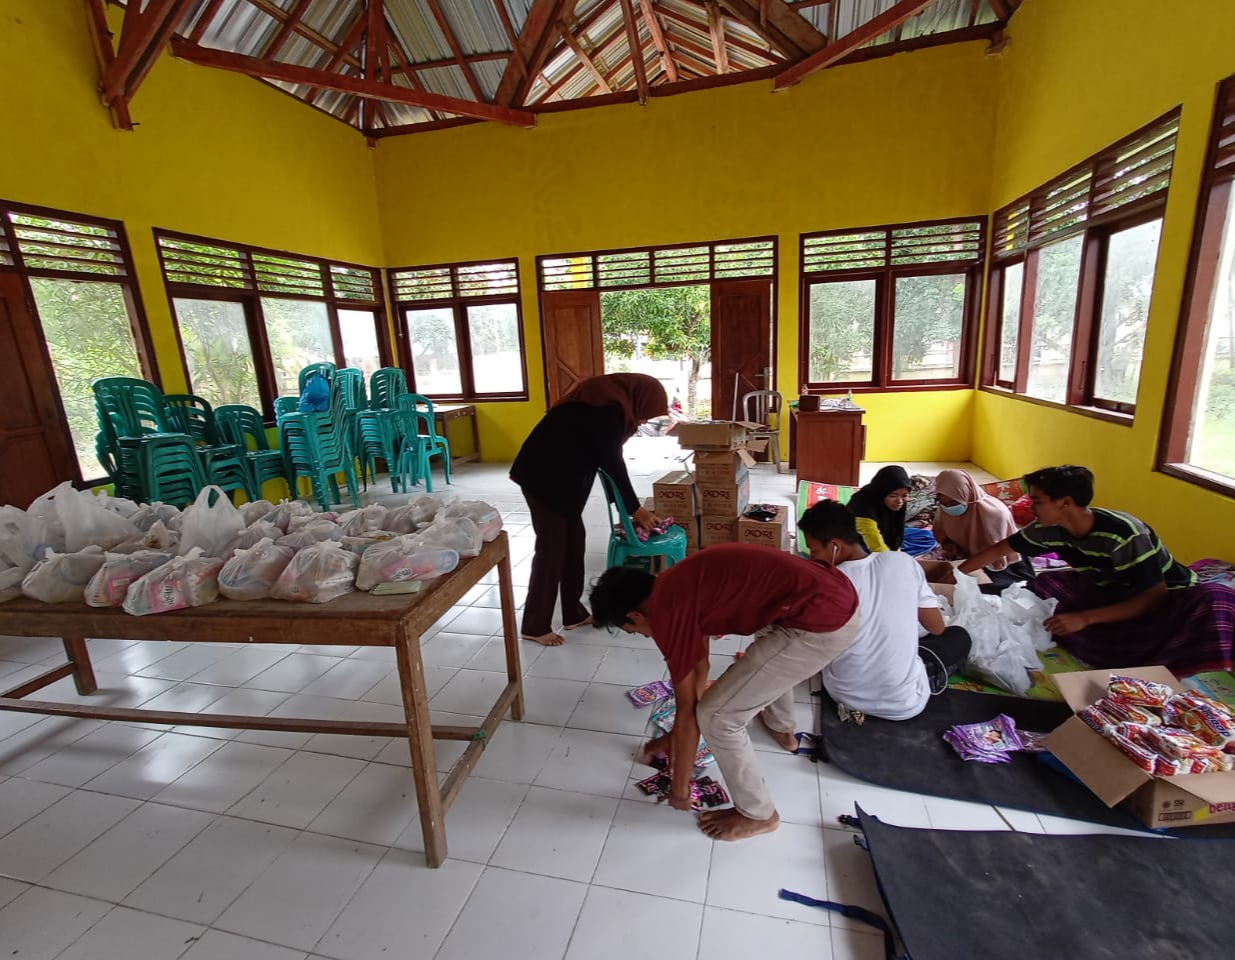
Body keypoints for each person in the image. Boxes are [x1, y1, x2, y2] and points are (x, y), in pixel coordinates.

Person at [589, 544, 859, 840]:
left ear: (634, 615)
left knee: (717, 717)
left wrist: (679, 790)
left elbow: (689, 709)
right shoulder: (674, 585)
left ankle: (759, 815)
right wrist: (673, 738)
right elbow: (699, 670)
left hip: (821, 624)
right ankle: (780, 726)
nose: (643, 636)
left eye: (634, 632)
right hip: (831, 596)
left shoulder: (666, 614)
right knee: (748, 677)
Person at [957, 465, 1235, 676]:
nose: (1029, 506)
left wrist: (1085, 618)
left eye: (1037, 500)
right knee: (1049, 583)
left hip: (1166, 599)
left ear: (1065, 503)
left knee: (1213, 599)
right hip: (1111, 590)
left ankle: (1145, 650)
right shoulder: (1048, 529)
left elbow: (1154, 596)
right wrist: (956, 575)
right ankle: (1107, 630)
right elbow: (1000, 549)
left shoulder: (1124, 534)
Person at [510, 374, 667, 646]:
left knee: (574, 543)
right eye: (645, 414)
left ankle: (573, 612)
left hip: (563, 479)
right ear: (638, 399)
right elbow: (612, 462)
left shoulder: (604, 406)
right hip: (542, 478)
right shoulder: (605, 410)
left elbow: (604, 460)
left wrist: (627, 506)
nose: (642, 421)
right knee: (551, 549)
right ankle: (534, 625)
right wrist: (635, 509)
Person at [799, 500, 972, 719]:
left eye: (814, 551)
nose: (813, 559)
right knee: (958, 637)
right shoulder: (903, 562)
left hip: (844, 694)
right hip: (905, 703)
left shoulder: (827, 583)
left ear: (835, 546)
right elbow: (936, 628)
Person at [930, 469, 1034, 594]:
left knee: (981, 590)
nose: (949, 508)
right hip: (968, 560)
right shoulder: (944, 510)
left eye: (954, 503)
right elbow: (940, 531)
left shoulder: (994, 513)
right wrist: (948, 544)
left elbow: (996, 553)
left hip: (1001, 562)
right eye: (944, 504)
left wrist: (958, 572)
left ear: (968, 495)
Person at [847, 465, 912, 553]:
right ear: (882, 493)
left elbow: (898, 530)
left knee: (926, 536)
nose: (900, 501)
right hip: (861, 539)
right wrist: (894, 557)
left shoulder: (893, 500)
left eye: (904, 495)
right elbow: (877, 547)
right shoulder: (863, 508)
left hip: (884, 532)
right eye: (893, 496)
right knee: (860, 551)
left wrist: (897, 549)